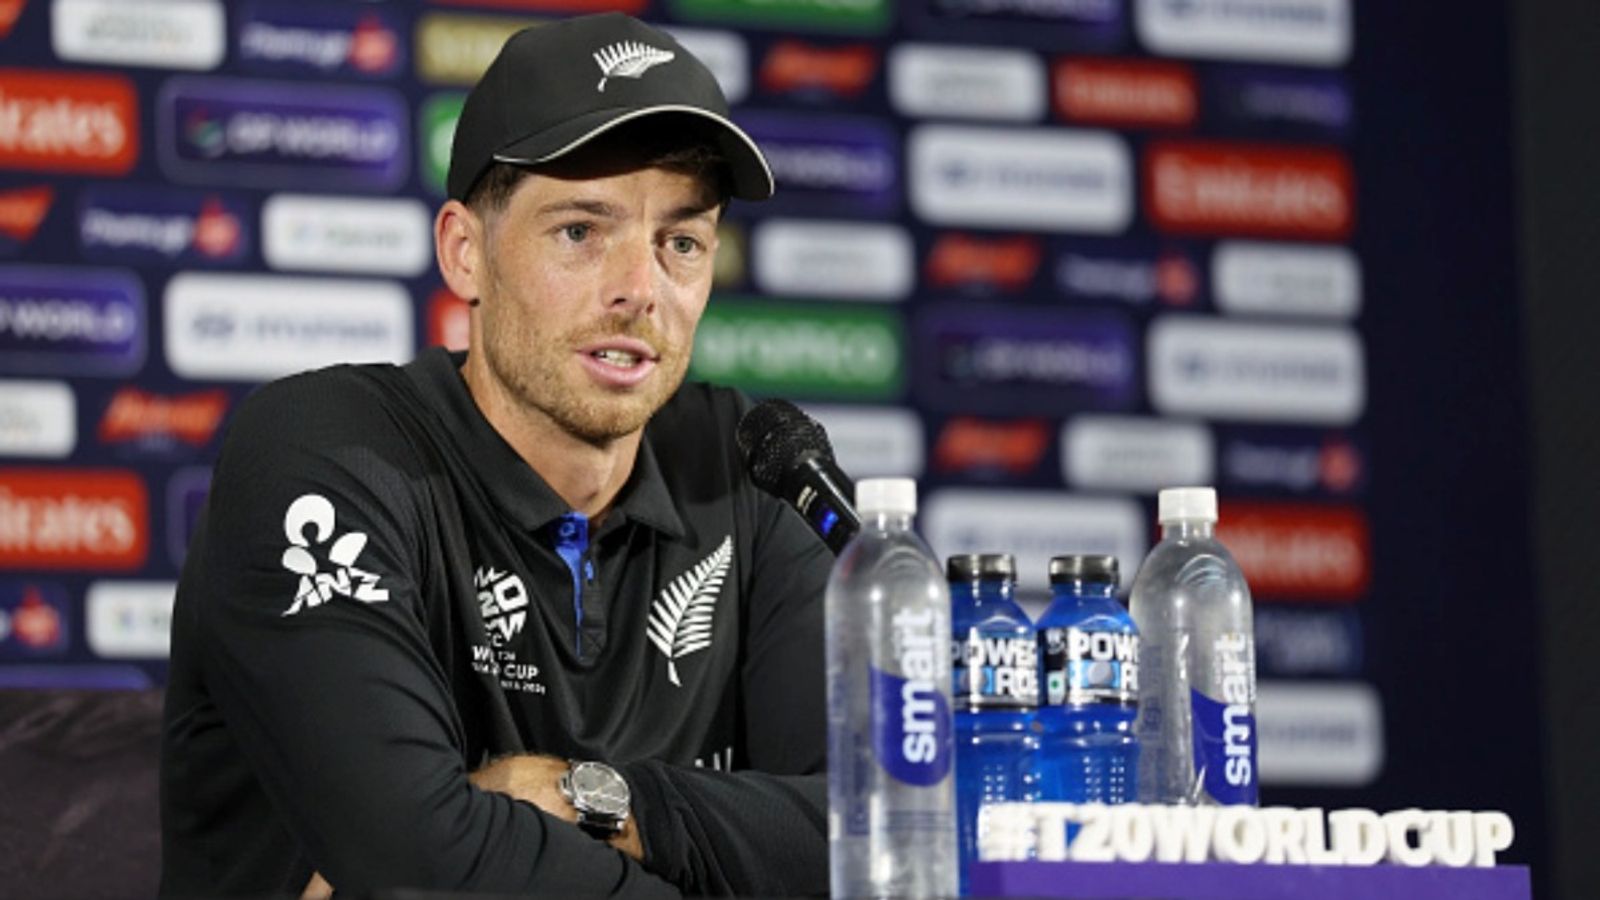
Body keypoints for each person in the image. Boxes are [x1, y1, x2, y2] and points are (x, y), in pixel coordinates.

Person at [158, 13, 833, 898]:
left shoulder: (751, 470)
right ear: (465, 253)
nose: (641, 288)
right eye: (581, 232)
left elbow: (887, 830)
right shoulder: (330, 452)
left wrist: (598, 800)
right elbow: (413, 859)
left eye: (681, 241)